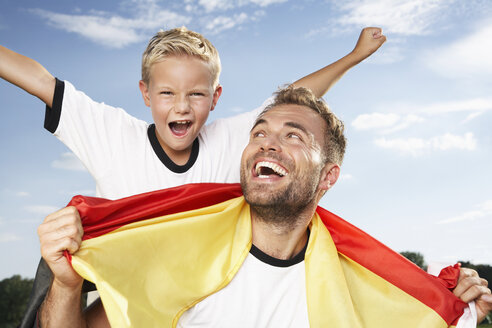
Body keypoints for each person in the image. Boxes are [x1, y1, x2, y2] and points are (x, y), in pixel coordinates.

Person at [38, 86, 492, 327]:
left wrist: (454, 309)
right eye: (258, 133)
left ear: (328, 178)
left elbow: (417, 316)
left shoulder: (361, 288)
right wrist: (64, 284)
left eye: (293, 136)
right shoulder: (177, 252)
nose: (266, 144)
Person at [0, 27, 385, 201]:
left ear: (215, 97)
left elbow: (295, 99)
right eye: (167, 93)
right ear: (145, 94)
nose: (181, 106)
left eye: (196, 94)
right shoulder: (112, 134)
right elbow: (41, 80)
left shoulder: (230, 139)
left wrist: (353, 57)